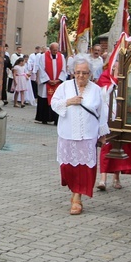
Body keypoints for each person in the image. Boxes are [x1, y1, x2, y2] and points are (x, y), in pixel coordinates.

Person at [51, 56, 109, 215]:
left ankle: (77, 197)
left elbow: (102, 113)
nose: (81, 76)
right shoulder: (64, 87)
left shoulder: (96, 90)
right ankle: (74, 191)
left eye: (84, 73)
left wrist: (102, 134)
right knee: (68, 167)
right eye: (77, 72)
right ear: (72, 72)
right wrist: (69, 101)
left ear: (90, 73)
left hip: (88, 134)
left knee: (85, 168)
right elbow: (54, 104)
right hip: (68, 133)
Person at [35, 42, 67, 124]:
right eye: (53, 50)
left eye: (56, 50)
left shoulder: (61, 57)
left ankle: (56, 119)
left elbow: (64, 69)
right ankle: (44, 118)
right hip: (46, 83)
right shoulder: (43, 56)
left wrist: (58, 80)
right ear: (50, 49)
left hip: (57, 83)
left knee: (57, 99)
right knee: (45, 99)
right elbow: (41, 69)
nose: (55, 52)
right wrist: (48, 80)